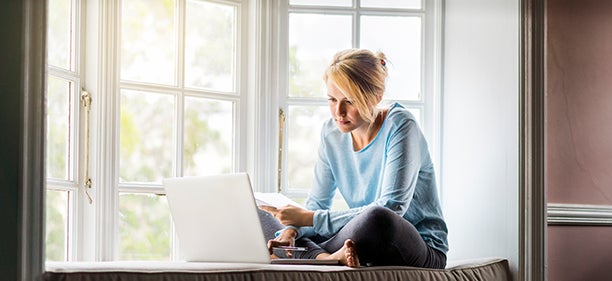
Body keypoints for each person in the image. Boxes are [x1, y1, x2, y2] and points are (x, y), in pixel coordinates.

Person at [258, 48, 448, 268]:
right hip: (358, 241)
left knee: (378, 217)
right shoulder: (331, 132)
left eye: (349, 101)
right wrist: (290, 231)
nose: (338, 112)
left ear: (376, 97)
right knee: (262, 216)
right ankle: (327, 257)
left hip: (415, 244)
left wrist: (308, 219)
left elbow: (393, 207)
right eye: (332, 99)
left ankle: (309, 254)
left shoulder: (401, 125)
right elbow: (318, 203)